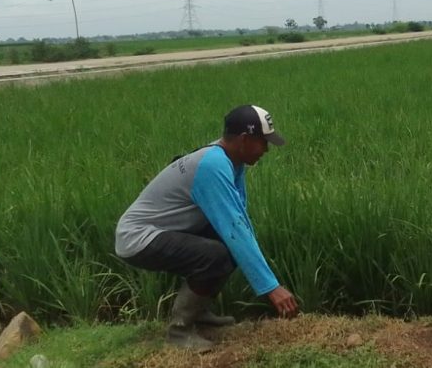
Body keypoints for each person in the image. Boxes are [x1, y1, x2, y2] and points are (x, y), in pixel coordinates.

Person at [115, 104, 300, 351]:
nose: (266, 149)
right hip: (138, 237)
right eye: (263, 142)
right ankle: (179, 332)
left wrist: (266, 278)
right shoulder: (212, 166)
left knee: (226, 249)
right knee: (217, 255)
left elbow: (239, 222)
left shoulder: (232, 161)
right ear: (244, 140)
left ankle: (199, 314)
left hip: (162, 231)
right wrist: (271, 287)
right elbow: (235, 229)